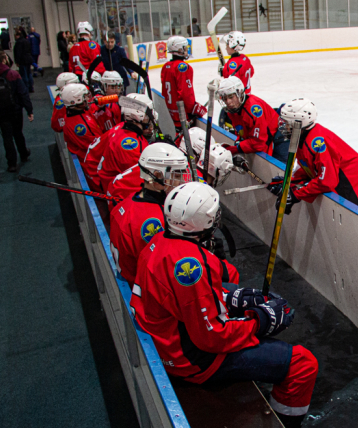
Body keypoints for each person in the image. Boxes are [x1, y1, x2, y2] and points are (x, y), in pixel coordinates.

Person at [131, 181, 318, 428]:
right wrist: (260, 322)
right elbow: (211, 338)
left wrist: (231, 298)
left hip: (164, 338)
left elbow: (184, 297)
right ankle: (284, 424)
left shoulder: (158, 242)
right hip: (192, 361)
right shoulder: (193, 266)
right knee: (303, 364)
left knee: (232, 289)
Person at [270, 98, 358, 214]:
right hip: (340, 181)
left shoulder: (318, 143)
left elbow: (327, 181)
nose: (283, 127)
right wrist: (291, 183)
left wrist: (296, 195)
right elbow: (306, 166)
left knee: (353, 221)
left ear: (299, 123)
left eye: (287, 123)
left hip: (351, 187)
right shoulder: (302, 136)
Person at [109, 142, 191, 287]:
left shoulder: (125, 203)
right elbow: (166, 269)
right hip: (144, 288)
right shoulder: (158, 220)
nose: (181, 182)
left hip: (130, 277)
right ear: (157, 176)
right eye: (176, 176)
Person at [216, 77, 289, 163]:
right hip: (266, 138)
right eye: (224, 98)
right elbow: (242, 131)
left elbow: (259, 143)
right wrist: (239, 142)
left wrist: (237, 148)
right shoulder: (232, 110)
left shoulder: (253, 109)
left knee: (280, 172)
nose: (228, 101)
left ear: (240, 93)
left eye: (231, 97)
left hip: (279, 136)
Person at [0, 51, 33, 172]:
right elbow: (23, 93)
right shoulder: (13, 74)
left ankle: (12, 163)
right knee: (18, 132)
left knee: (6, 136)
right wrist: (29, 110)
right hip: (15, 109)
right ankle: (24, 154)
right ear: (4, 59)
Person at [98, 94, 154, 192]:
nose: (151, 116)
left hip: (108, 184)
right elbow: (142, 178)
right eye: (148, 113)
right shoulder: (131, 147)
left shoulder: (122, 128)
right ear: (139, 115)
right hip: (115, 192)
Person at [160, 36, 207, 132]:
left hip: (169, 115)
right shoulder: (183, 67)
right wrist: (192, 109)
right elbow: (186, 93)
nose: (187, 51)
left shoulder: (166, 66)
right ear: (179, 49)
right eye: (185, 48)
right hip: (182, 117)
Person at [61, 83, 103, 159]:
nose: (87, 99)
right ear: (77, 100)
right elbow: (99, 146)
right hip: (93, 163)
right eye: (84, 96)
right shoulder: (84, 125)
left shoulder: (70, 114)